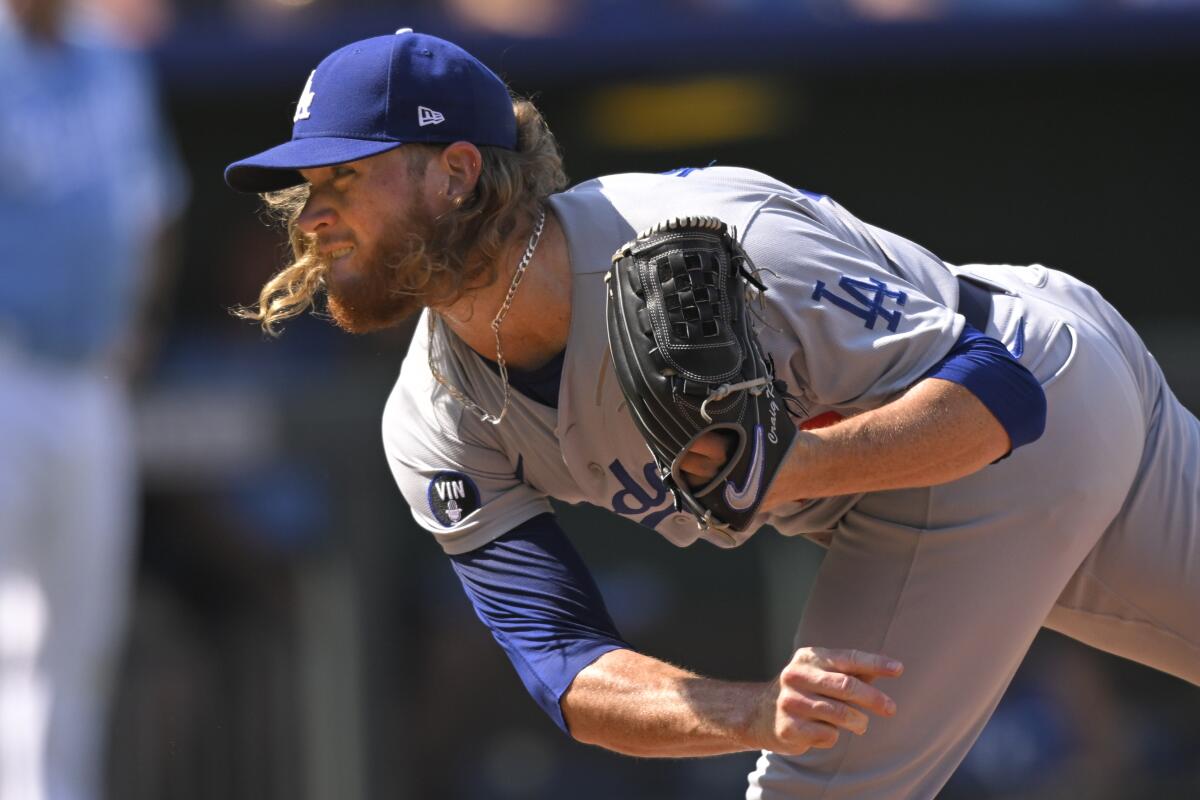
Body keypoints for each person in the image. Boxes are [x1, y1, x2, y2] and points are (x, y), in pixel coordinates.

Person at [224, 29, 1199, 799]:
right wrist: (751, 706)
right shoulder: (435, 417)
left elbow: (1004, 393)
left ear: (458, 172)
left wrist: (798, 470)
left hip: (1011, 399)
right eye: (310, 187)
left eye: (345, 177)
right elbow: (565, 666)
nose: (312, 215)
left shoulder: (706, 245)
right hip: (1029, 410)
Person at [0, 1, 184, 798]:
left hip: (89, 378)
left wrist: (139, 323)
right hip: (9, 367)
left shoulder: (110, 58)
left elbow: (153, 208)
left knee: (82, 634)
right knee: (16, 630)